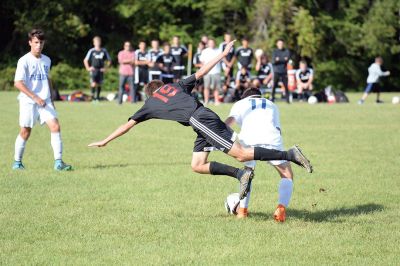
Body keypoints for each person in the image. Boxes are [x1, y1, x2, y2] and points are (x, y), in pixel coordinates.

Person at [88, 40, 313, 202]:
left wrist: (105, 140)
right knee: (197, 165)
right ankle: (240, 174)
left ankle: (288, 154)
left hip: (201, 120)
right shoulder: (175, 85)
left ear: (150, 94)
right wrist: (223, 55)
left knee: (242, 154)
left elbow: (127, 125)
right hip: (201, 121)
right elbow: (202, 71)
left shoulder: (150, 103)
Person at [225, 88, 293, 221]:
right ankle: (281, 209)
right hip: (272, 138)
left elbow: (229, 122)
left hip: (248, 140)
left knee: (247, 174)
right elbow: (278, 129)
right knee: (287, 175)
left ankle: (242, 211)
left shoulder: (240, 104)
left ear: (245, 97)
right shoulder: (271, 104)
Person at [13, 29, 72, 171]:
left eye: (41, 42)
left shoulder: (47, 60)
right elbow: (18, 83)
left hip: (45, 102)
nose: (38, 45)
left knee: (55, 126)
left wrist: (52, 100)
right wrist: (34, 97)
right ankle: (17, 162)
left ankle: (58, 162)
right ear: (30, 43)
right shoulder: (24, 60)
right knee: (25, 131)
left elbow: (48, 80)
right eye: (36, 42)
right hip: (28, 101)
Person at [83, 36, 111, 101]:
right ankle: (92, 97)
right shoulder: (91, 51)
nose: (97, 43)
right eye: (96, 42)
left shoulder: (104, 51)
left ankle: (97, 98)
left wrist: (106, 68)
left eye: (98, 42)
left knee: (99, 84)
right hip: (94, 70)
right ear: (94, 43)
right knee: (93, 83)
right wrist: (88, 68)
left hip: (100, 70)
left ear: (100, 43)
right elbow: (85, 60)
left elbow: (109, 60)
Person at [200, 39, 222, 105]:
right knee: (206, 87)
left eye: (213, 43)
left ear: (214, 43)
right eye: (210, 43)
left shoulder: (218, 50)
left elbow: (221, 60)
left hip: (216, 71)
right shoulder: (204, 51)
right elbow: (202, 62)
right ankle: (206, 101)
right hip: (207, 72)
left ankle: (216, 101)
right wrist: (204, 70)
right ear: (208, 44)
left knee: (216, 88)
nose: (212, 44)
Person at [272, 39, 290, 103]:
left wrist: (279, 59)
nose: (280, 45)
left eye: (281, 44)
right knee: (274, 86)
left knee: (286, 86)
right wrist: (283, 59)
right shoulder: (275, 51)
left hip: (284, 71)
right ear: (277, 44)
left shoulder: (286, 51)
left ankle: (287, 100)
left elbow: (287, 59)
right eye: (279, 43)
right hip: (277, 71)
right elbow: (274, 61)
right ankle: (272, 99)